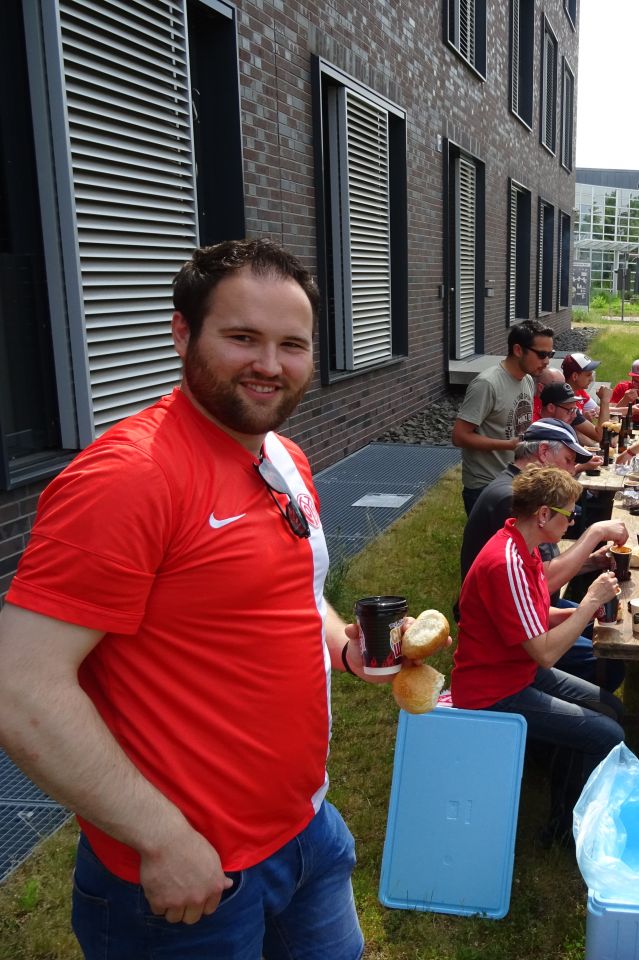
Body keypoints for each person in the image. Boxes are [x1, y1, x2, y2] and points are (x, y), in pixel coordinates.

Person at [0, 239, 387, 959]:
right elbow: (20, 688)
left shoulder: (280, 454)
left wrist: (340, 642)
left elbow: (294, 593)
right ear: (184, 333)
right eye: (242, 338)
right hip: (191, 880)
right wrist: (163, 839)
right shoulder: (129, 478)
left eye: (291, 344)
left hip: (308, 835)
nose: (270, 364)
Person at [451, 466, 625, 848]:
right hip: (492, 691)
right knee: (607, 734)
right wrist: (589, 603)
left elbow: (531, 614)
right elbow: (545, 653)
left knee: (610, 708)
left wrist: (585, 613)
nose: (574, 521)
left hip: (516, 673)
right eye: (570, 514)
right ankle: (564, 831)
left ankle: (567, 792)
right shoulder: (508, 561)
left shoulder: (520, 547)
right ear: (543, 514)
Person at [458, 418, 626, 691]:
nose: (573, 470)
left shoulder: (521, 502)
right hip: (505, 643)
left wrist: (592, 562)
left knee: (604, 628)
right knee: (606, 658)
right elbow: (537, 582)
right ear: (544, 453)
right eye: (570, 460)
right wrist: (593, 535)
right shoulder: (510, 501)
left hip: (534, 609)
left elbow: (537, 575)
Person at [451, 319, 552, 513]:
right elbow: (459, 436)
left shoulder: (528, 380)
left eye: (550, 354)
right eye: (541, 354)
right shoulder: (487, 384)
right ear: (517, 350)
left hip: (515, 480)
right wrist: (507, 445)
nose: (546, 361)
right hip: (486, 486)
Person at [561, 351, 609, 442]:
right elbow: (600, 436)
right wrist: (605, 401)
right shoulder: (566, 400)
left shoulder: (578, 391)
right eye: (588, 375)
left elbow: (599, 411)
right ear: (575, 376)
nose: (591, 379)